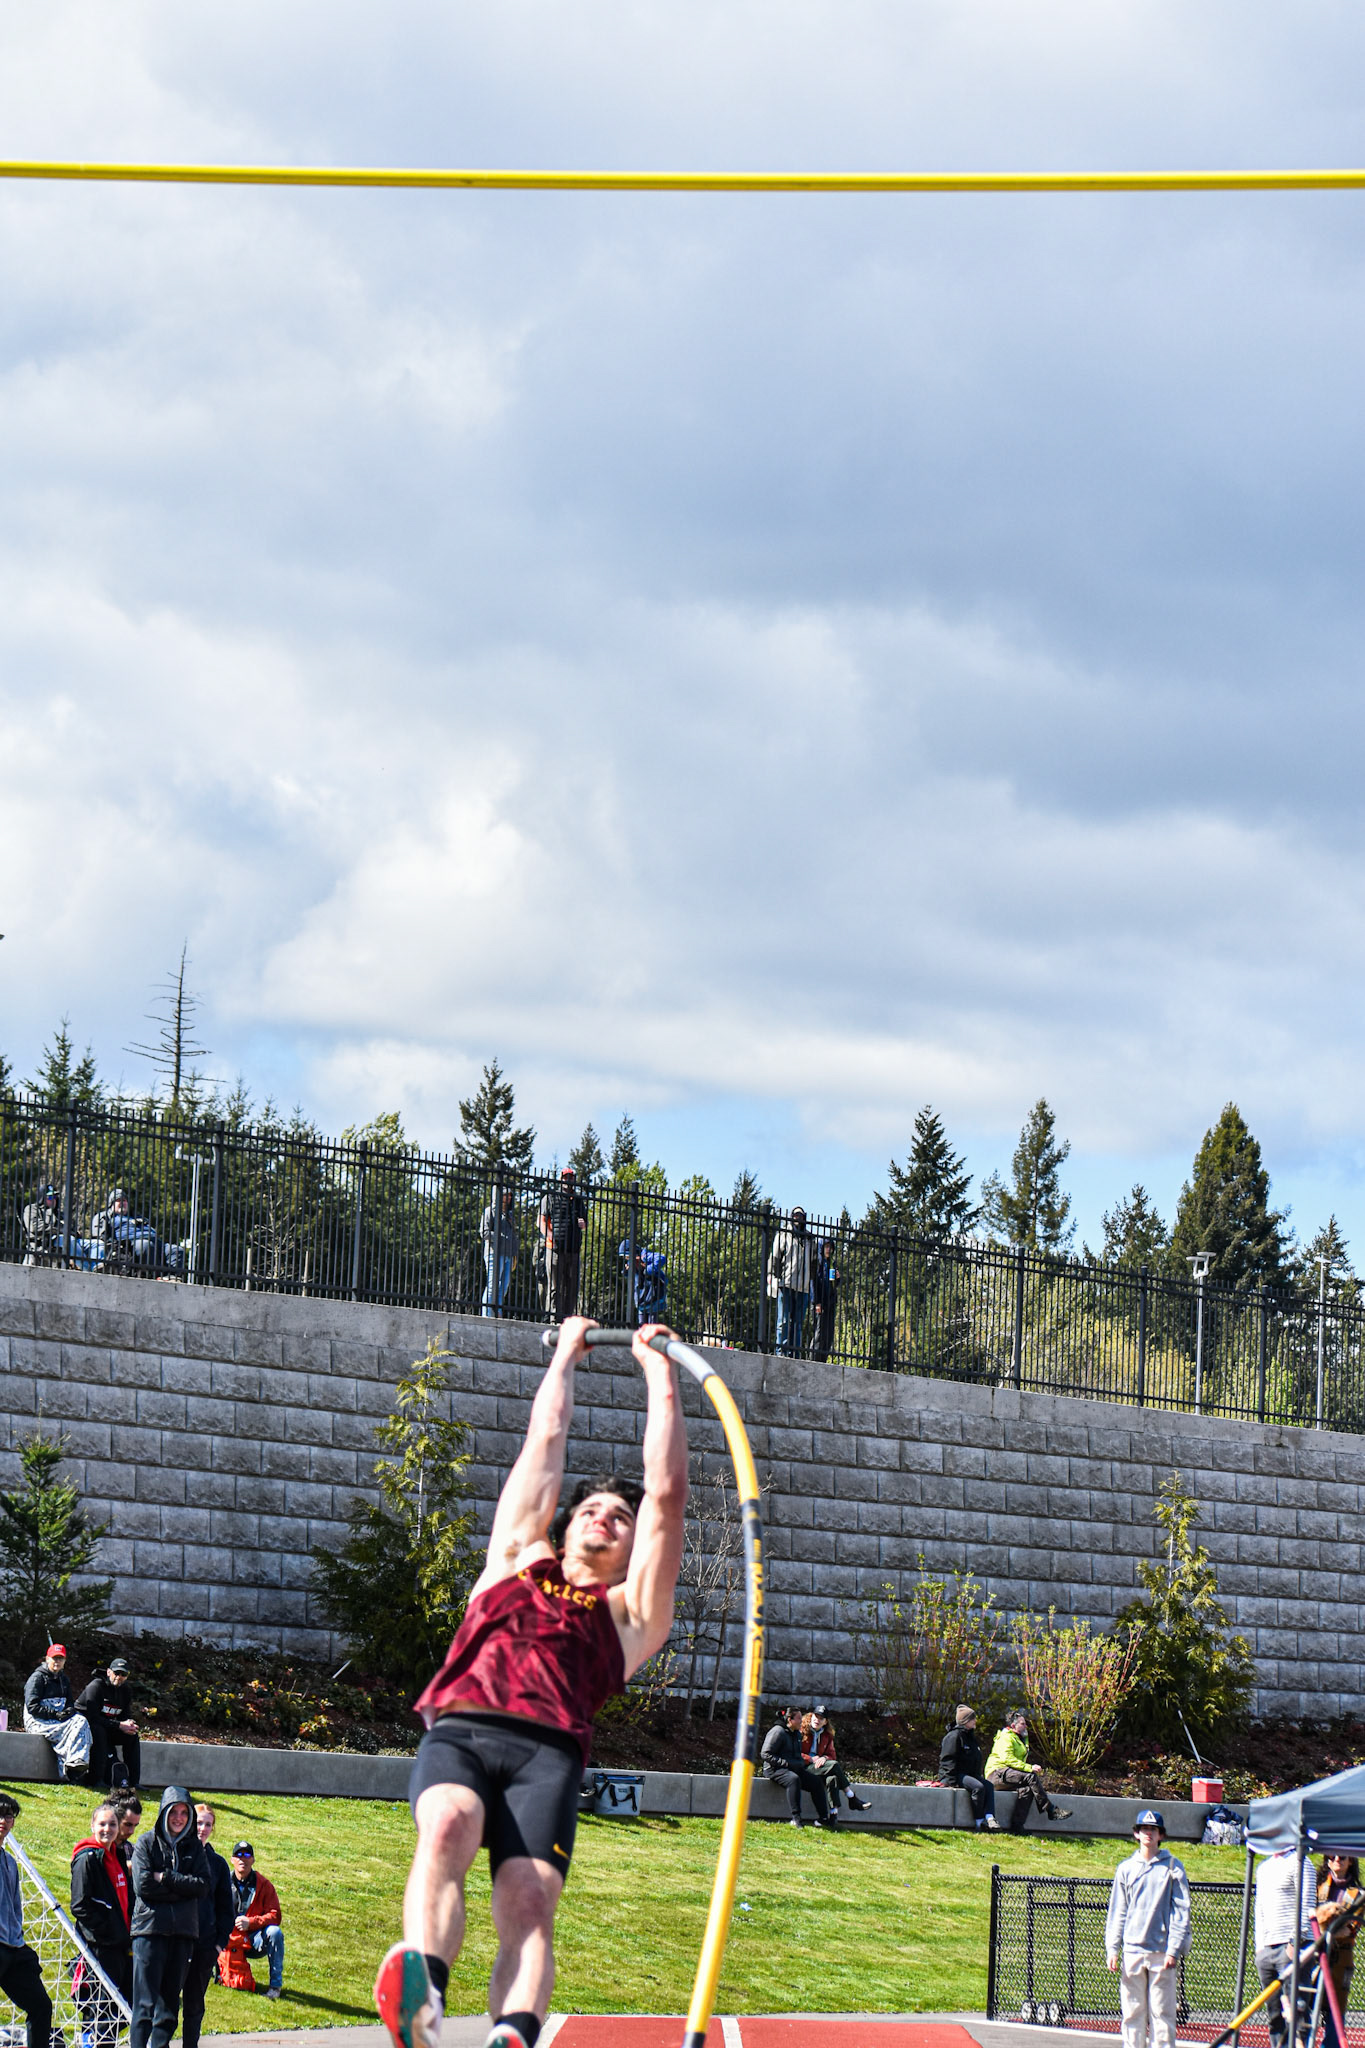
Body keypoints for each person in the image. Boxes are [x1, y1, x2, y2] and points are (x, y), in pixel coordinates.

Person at [374, 1315, 688, 2048]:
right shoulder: (514, 1557)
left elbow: (667, 1496)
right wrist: (566, 1357)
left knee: (528, 1898)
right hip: (464, 1728)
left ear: (633, 1546)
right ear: (565, 1523)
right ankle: (424, 1997)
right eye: (592, 1509)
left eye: (620, 1517)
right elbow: (544, 1439)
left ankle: (512, 2034)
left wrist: (659, 1372)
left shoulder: (631, 1615)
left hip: (548, 1756)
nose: (604, 1519)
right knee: (446, 1826)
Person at [129, 1784, 209, 2048]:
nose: (178, 1818)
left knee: (169, 2005)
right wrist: (182, 1891)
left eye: (184, 1813)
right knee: (144, 2005)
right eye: (173, 1812)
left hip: (183, 1934)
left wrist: (166, 1877)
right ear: (164, 1812)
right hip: (150, 1931)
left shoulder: (195, 1848)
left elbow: (202, 1886)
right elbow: (143, 1886)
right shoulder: (146, 1842)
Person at [1105, 1808, 1192, 2048]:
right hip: (1133, 1951)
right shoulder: (1126, 1868)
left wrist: (1173, 1949)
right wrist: (1113, 1948)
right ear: (1136, 1833)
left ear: (1161, 1835)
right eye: (1144, 1829)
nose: (1148, 1834)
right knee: (1132, 2012)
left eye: (1153, 1830)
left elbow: (1181, 1911)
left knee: (1162, 2013)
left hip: (1161, 1952)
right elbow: (1118, 1910)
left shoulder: (1173, 1867)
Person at [70, 1800, 134, 2046]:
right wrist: (107, 1932)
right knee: (101, 2011)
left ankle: (99, 2042)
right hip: (100, 1947)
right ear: (92, 1826)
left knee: (124, 2006)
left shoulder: (116, 1855)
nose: (107, 1829)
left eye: (112, 1824)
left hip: (120, 1945)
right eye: (102, 1824)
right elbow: (80, 1905)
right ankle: (91, 2043)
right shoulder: (87, 1858)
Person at [0, 1792, 53, 2048]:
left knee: (41, 2006)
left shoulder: (10, 1862)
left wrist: (18, 1942)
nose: (3, 1820)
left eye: (8, 1816)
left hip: (12, 1948)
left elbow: (14, 1907)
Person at [181, 1805, 234, 2048]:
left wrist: (218, 1944)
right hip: (177, 1943)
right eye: (199, 1823)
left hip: (205, 1946)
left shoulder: (218, 1864)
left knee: (194, 2005)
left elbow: (225, 1908)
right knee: (167, 2003)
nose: (202, 1829)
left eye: (207, 1824)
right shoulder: (178, 1855)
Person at [1254, 1846, 1317, 2048]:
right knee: (1275, 2015)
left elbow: (1307, 1904)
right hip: (1268, 1949)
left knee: (1296, 2011)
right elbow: (1259, 1908)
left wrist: (1294, 1942)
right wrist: (1260, 1947)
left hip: (1293, 1948)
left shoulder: (1300, 1862)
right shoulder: (1264, 1868)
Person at [985, 1709, 1071, 1832]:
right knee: (1030, 1776)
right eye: (1023, 1724)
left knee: (1028, 1789)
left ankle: (1017, 1827)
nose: (1026, 1726)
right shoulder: (1006, 1738)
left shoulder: (1019, 1738)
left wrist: (1025, 1741)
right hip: (996, 1774)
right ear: (1013, 1726)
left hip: (1007, 1774)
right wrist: (1029, 1767)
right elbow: (1007, 1759)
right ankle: (1051, 1809)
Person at [23, 1643, 93, 1778]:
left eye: (60, 1658)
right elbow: (32, 1707)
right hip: (38, 1720)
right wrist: (55, 1714)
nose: (57, 1662)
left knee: (81, 1721)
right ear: (47, 1659)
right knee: (75, 1726)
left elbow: (70, 1702)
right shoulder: (37, 1678)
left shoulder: (64, 1679)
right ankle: (69, 1768)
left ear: (65, 1661)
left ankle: (76, 1763)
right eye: (54, 1658)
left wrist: (68, 1711)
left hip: (58, 1719)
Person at [760, 1707, 833, 1828]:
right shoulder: (778, 1732)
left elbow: (797, 1755)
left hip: (792, 1768)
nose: (802, 1721)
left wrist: (799, 1763)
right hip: (774, 1769)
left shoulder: (797, 1734)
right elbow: (765, 1754)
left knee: (816, 1782)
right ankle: (796, 1818)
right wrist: (784, 1763)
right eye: (799, 1718)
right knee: (793, 1780)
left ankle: (824, 1818)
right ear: (790, 1719)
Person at [229, 1840, 284, 1999]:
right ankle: (212, 1975)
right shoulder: (223, 1881)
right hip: (229, 1936)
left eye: (247, 1855)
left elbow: (275, 1915)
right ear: (232, 1860)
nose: (243, 1859)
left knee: (275, 1932)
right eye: (239, 1855)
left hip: (254, 1938)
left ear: (253, 1860)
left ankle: (275, 1987)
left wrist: (251, 1922)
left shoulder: (264, 1885)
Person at [78, 1658, 141, 1790]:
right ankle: (97, 1779)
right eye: (116, 1673)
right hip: (86, 1727)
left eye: (123, 1674)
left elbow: (124, 1716)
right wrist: (119, 1725)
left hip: (108, 1726)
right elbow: (93, 1717)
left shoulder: (125, 1690)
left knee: (132, 1736)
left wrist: (129, 1725)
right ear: (108, 1672)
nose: (119, 1677)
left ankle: (134, 1782)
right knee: (99, 1731)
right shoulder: (96, 1686)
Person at [800, 1706, 872, 1816]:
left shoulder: (827, 1735)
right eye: (816, 1716)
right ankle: (851, 1797)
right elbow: (793, 1752)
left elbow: (832, 1755)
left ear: (825, 1722)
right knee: (834, 1765)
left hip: (819, 1767)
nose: (817, 1720)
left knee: (832, 1778)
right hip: (804, 1767)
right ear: (811, 1716)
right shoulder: (800, 1731)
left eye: (821, 1718)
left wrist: (824, 1758)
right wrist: (809, 1758)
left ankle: (833, 1816)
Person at [537, 1169, 588, 1322]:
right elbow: (541, 1221)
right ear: (561, 1179)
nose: (568, 1180)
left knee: (572, 1288)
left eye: (571, 1178)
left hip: (573, 1249)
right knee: (555, 1287)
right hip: (555, 1248)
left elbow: (584, 1223)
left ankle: (567, 1319)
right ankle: (554, 1318)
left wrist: (583, 1224)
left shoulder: (578, 1200)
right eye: (566, 1178)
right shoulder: (550, 1198)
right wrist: (549, 1235)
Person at [938, 1704, 999, 1831]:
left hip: (970, 1774)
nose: (975, 1721)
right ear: (965, 1721)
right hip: (956, 1775)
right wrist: (951, 1781)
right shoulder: (953, 1736)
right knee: (978, 1787)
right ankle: (979, 1822)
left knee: (988, 1786)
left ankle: (990, 1818)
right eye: (972, 1719)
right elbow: (947, 1760)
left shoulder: (970, 1737)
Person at [767, 1208, 813, 1358]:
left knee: (798, 1323)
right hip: (786, 1283)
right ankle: (781, 1351)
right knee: (784, 1321)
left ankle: (795, 1353)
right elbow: (774, 1257)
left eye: (800, 1216)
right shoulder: (783, 1235)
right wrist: (772, 1275)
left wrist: (811, 1281)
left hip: (803, 1286)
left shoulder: (809, 1238)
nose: (797, 1218)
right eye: (795, 1215)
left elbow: (813, 1262)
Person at [480, 1189, 520, 1319]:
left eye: (510, 1195)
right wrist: (500, 1237)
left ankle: (497, 1314)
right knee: (492, 1285)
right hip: (494, 1253)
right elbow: (484, 1232)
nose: (508, 1197)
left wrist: (514, 1253)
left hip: (508, 1255)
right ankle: (487, 1315)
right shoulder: (490, 1211)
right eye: (505, 1195)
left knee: (504, 1287)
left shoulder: (510, 1215)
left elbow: (513, 1235)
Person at [618, 1240, 667, 1328]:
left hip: (653, 1295)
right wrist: (626, 1271)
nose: (627, 1258)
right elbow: (632, 1275)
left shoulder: (644, 1255)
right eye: (625, 1257)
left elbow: (661, 1258)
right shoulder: (630, 1261)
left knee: (652, 1323)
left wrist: (647, 1270)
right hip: (641, 1297)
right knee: (641, 1324)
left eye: (627, 1256)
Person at [808, 1240, 839, 1363]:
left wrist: (838, 1279)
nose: (828, 1250)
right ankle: (814, 1360)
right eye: (826, 1247)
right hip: (820, 1302)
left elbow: (833, 1285)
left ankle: (823, 1360)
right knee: (819, 1333)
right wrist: (816, 1302)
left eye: (830, 1247)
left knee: (828, 1334)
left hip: (830, 1302)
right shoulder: (818, 1262)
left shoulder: (831, 1263)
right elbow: (813, 1282)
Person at [22, 1186, 64, 1267]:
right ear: (42, 1198)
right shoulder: (32, 1209)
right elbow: (35, 1227)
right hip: (36, 1250)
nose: (53, 1200)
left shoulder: (59, 1215)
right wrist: (57, 1230)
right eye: (50, 1197)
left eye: (55, 1197)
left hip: (55, 1253)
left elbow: (68, 1228)